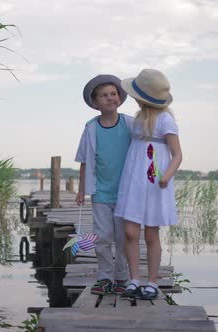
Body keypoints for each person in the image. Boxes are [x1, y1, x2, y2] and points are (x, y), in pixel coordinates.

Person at [115, 69, 182, 300]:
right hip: (133, 181)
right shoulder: (138, 119)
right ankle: (134, 279)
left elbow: (177, 155)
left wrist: (167, 176)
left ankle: (152, 282)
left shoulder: (165, 120)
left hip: (155, 183)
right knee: (130, 232)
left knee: (151, 235)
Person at [75, 74, 134, 295]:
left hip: (126, 193)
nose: (109, 98)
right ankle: (105, 277)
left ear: (119, 97)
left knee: (122, 237)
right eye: (103, 95)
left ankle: (121, 277)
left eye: (113, 94)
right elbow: (83, 160)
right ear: (95, 102)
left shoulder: (129, 124)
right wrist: (81, 189)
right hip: (100, 192)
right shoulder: (91, 128)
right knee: (102, 237)